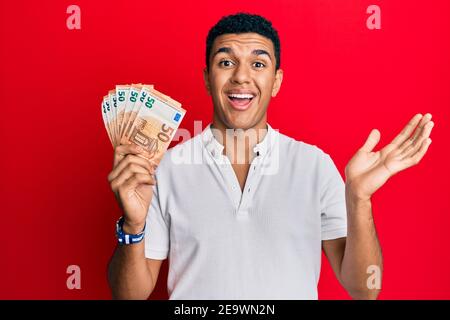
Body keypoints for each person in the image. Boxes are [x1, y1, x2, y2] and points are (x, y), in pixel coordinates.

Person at [107, 13, 434, 300]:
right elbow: (130, 295)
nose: (241, 77)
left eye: (258, 63)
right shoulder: (165, 169)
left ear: (276, 81)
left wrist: (360, 199)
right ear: (208, 78)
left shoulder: (315, 166)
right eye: (226, 62)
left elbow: (365, 289)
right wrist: (132, 225)